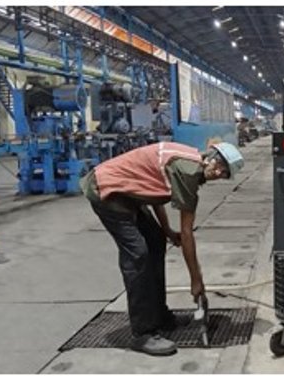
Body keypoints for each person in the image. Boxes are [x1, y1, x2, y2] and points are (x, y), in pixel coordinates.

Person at [83, 141, 243, 356]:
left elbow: (154, 189)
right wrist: (196, 281)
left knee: (156, 242)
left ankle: (160, 316)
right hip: (107, 191)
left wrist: (166, 230)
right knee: (138, 255)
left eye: (225, 174)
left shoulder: (189, 162)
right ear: (212, 157)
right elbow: (187, 234)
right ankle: (142, 333)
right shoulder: (188, 170)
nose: (219, 173)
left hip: (130, 194)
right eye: (220, 166)